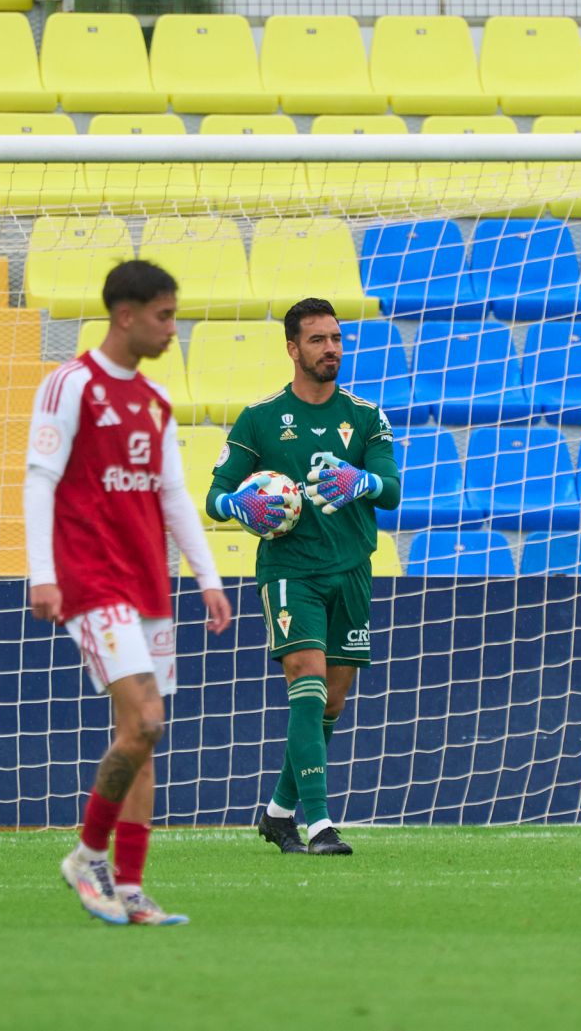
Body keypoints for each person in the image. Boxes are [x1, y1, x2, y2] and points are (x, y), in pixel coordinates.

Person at [25, 260, 232, 926]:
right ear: (126, 315)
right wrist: (42, 572)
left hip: (148, 583)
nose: (173, 328)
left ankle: (133, 888)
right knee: (146, 720)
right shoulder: (70, 385)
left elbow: (172, 493)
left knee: (140, 736)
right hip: (92, 579)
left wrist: (207, 577)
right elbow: (39, 479)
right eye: (165, 315)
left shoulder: (157, 401)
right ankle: (88, 854)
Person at [206, 298, 401, 856]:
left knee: (331, 702)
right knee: (307, 681)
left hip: (352, 571)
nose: (331, 349)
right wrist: (237, 505)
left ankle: (277, 813)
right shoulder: (260, 418)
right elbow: (215, 494)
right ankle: (320, 826)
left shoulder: (366, 416)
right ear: (293, 349)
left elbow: (392, 490)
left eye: (336, 338)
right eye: (317, 340)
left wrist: (361, 481)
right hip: (290, 570)